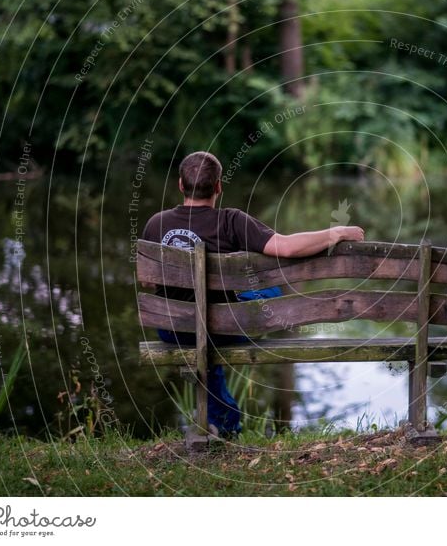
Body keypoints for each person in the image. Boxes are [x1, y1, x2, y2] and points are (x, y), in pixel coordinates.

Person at [141, 151, 364, 435]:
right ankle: (225, 424)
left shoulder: (156, 223)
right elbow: (287, 247)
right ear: (219, 186)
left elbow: (149, 284)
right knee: (269, 291)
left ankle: (226, 424)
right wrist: (337, 232)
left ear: (181, 186)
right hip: (223, 326)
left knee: (204, 339)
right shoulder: (231, 221)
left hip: (171, 327)